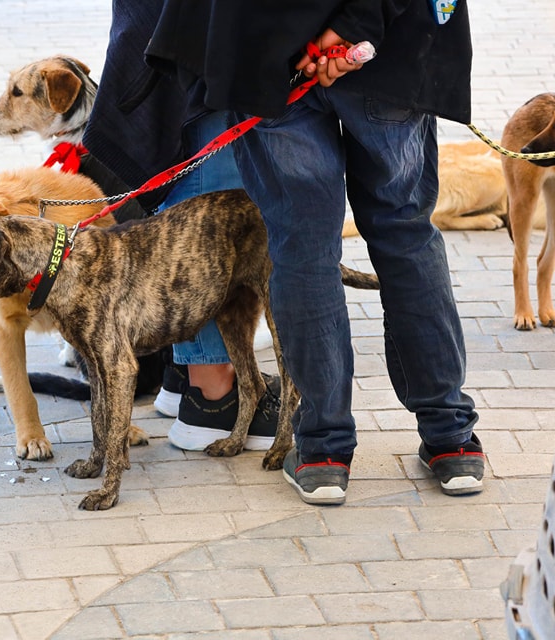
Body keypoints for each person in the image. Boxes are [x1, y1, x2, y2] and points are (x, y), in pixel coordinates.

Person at [144, 0, 485, 504]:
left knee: (302, 248)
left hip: (272, 45)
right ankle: (450, 438)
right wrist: (354, 25)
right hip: (385, 42)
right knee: (403, 233)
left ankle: (324, 450)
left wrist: (342, 30)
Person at [83, 0, 280, 454]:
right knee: (211, 202)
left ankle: (184, 374)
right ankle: (213, 394)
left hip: (168, 37)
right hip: (193, 44)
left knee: (199, 198)